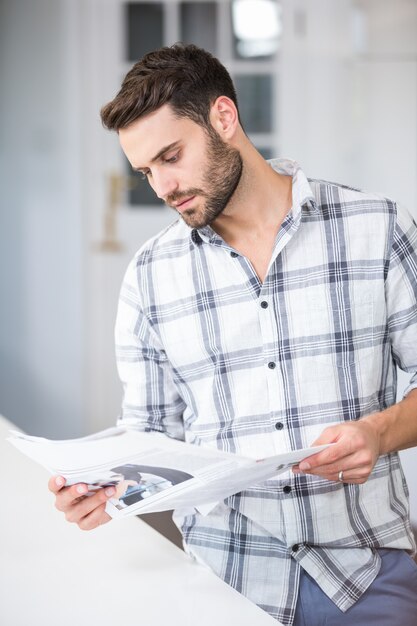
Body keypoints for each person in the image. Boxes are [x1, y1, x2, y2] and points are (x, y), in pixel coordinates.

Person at [49, 44, 417, 625]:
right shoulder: (149, 276)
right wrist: (108, 490)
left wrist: (379, 431)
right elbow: (150, 439)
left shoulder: (378, 228)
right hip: (224, 582)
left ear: (224, 117)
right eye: (146, 171)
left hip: (367, 572)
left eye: (171, 156)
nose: (163, 187)